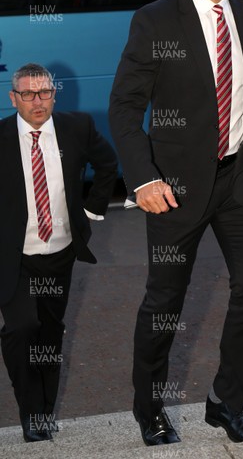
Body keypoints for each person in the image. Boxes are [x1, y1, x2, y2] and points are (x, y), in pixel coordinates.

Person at [109, 0, 243, 446]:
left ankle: (227, 402)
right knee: (165, 302)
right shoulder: (156, 20)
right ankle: (147, 406)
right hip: (175, 189)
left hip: (241, 180)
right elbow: (124, 109)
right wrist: (143, 180)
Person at [0, 63, 118, 442]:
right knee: (21, 328)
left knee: (49, 335)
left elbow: (107, 164)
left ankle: (45, 410)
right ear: (13, 98)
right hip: (13, 257)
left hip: (59, 253)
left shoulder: (76, 127)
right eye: (29, 94)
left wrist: (91, 210)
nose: (38, 102)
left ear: (54, 93)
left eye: (45, 93)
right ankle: (31, 412)